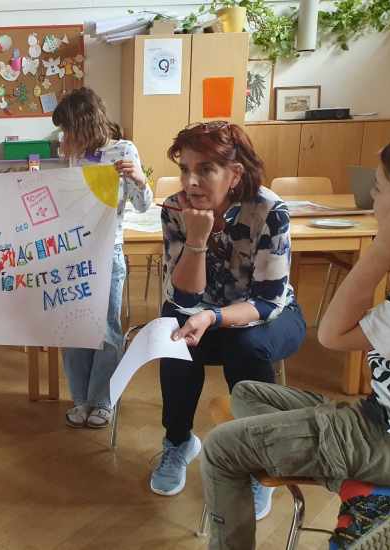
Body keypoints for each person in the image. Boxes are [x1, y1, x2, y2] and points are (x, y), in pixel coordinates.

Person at [198, 140, 390, 549]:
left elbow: (332, 334)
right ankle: (369, 495)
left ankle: (373, 497)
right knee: (247, 393)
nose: (371, 198)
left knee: (220, 447)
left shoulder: (268, 209)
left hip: (383, 435)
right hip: (375, 412)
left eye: (378, 188)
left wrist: (384, 245)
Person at [151, 122, 306, 512]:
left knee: (246, 344)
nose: (191, 181)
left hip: (269, 315)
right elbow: (184, 298)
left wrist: (213, 317)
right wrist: (197, 238)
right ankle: (179, 442)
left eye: (205, 169)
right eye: (185, 168)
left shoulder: (269, 210)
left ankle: (260, 460)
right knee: (175, 340)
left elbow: (267, 302)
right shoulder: (175, 209)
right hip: (202, 312)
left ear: (235, 174)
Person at [51, 87, 153, 429]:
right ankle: (81, 398)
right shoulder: (77, 155)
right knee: (72, 329)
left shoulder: (124, 150)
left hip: (107, 254)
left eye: (67, 130)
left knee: (106, 328)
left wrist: (139, 178)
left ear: (83, 124)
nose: (64, 138)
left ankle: (102, 399)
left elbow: (143, 206)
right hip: (73, 255)